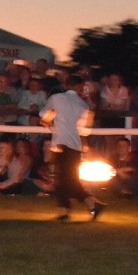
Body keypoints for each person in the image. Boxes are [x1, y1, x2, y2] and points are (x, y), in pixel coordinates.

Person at [39, 75, 106, 221]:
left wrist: (49, 122)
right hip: (75, 146)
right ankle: (73, 209)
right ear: (79, 87)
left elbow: (43, 114)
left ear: (66, 85)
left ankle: (79, 207)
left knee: (64, 180)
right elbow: (85, 130)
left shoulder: (56, 98)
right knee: (68, 180)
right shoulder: (83, 105)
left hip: (61, 145)